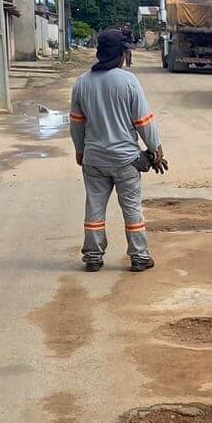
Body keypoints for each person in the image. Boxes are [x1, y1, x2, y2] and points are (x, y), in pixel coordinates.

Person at [70, 28, 167, 272]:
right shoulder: (128, 82)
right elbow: (143, 121)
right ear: (120, 54)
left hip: (94, 159)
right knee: (132, 208)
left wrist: (80, 151)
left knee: (94, 207)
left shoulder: (81, 84)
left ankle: (93, 256)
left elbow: (76, 124)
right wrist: (156, 150)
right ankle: (140, 256)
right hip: (125, 161)